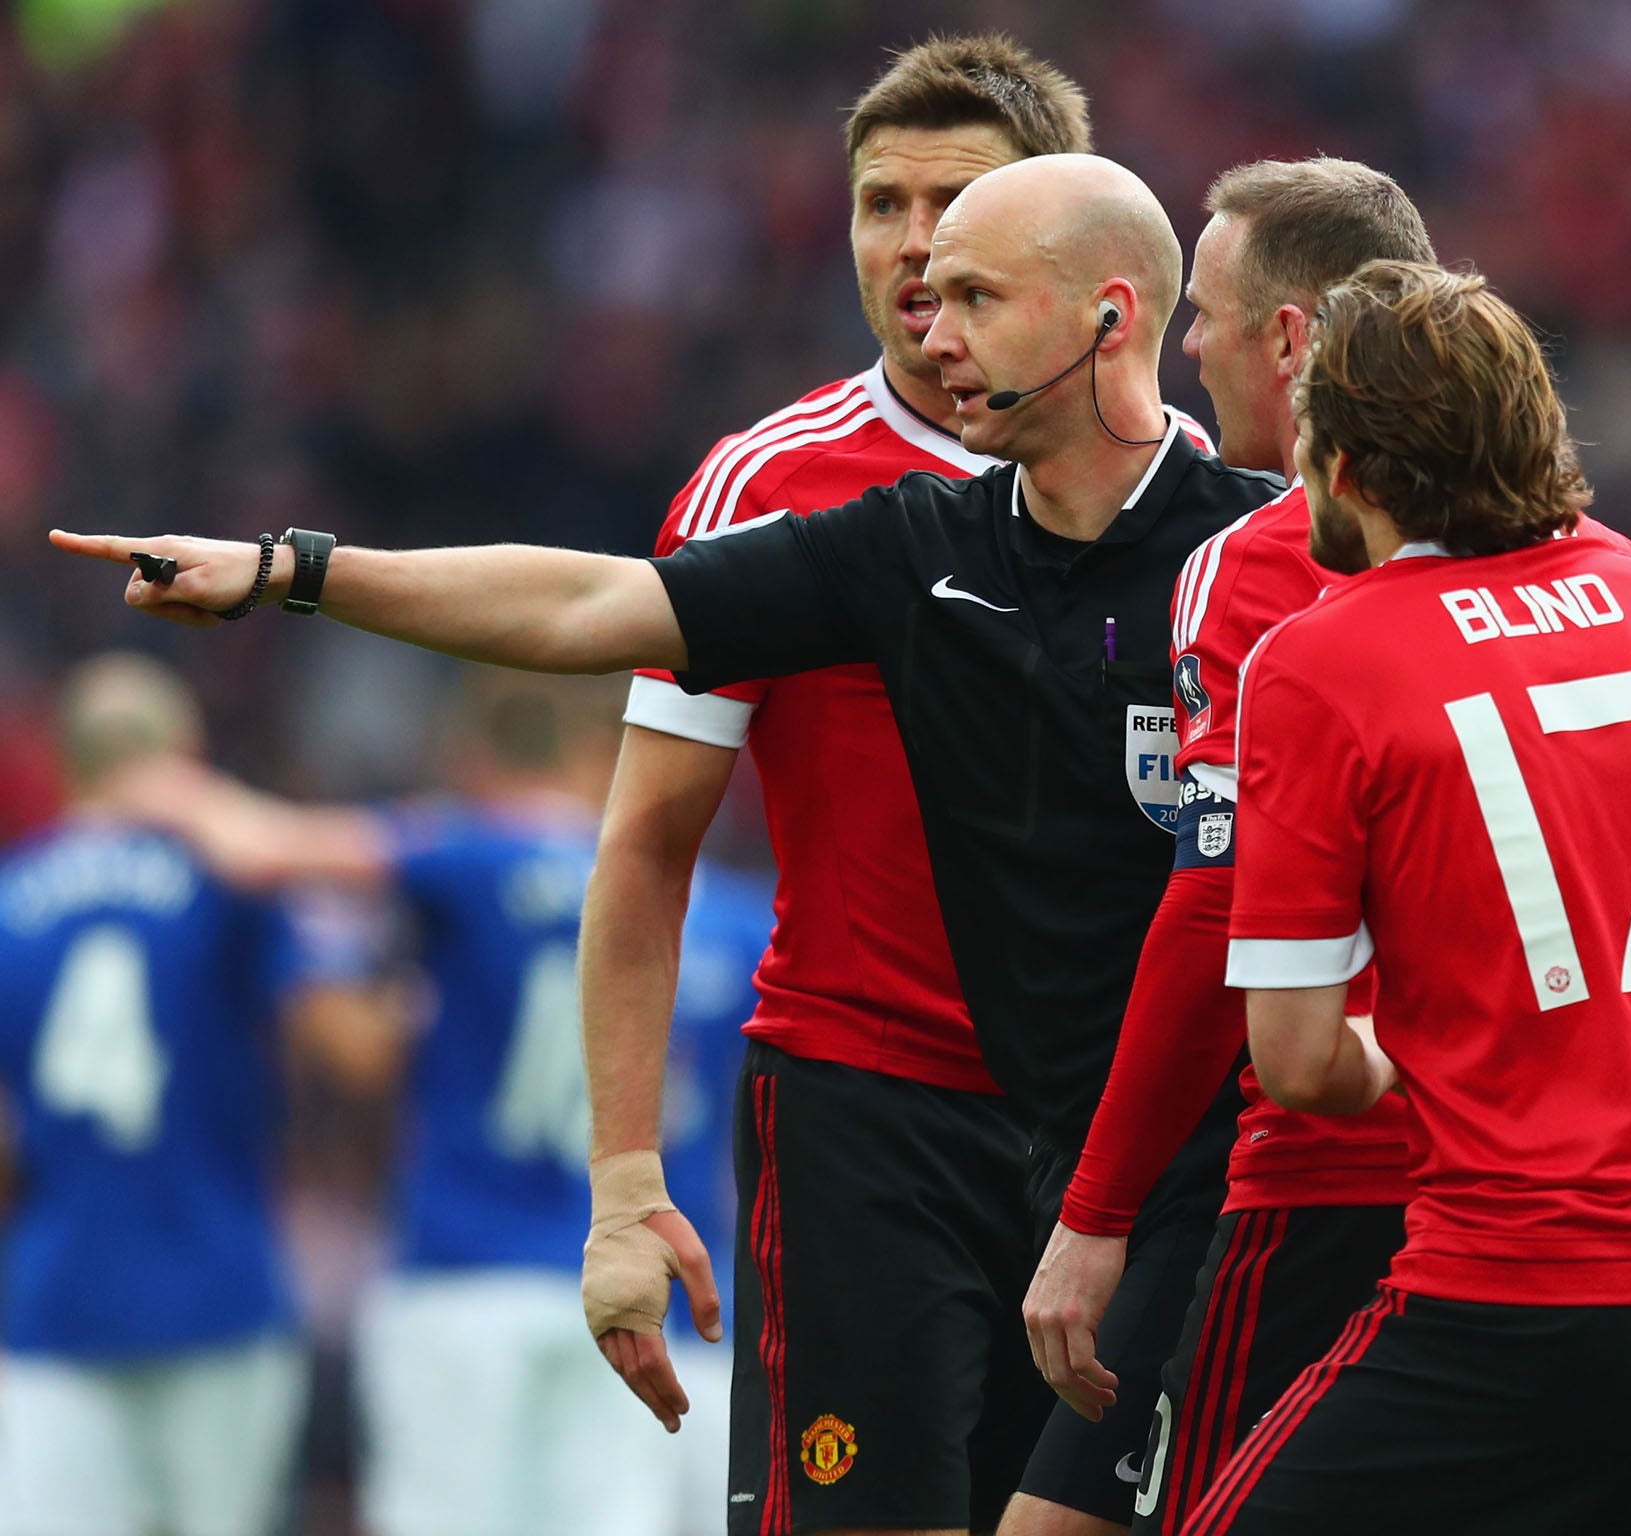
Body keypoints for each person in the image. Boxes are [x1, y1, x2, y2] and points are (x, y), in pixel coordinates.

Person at [52, 151, 1279, 1536]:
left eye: (976, 300)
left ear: (1108, 319)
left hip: (1213, 1173)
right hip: (984, 1150)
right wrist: (295, 572)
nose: (931, 335)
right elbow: (591, 607)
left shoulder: (1266, 552)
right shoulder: (911, 546)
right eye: (927, 295)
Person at [1178, 260, 1631, 1534]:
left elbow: (1297, 1058)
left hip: (1501, 1309)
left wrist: (1422, 1078)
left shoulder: (1315, 661)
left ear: (1344, 465)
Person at [1023, 157, 1631, 1534]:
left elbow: (1211, 913)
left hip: (1327, 1189)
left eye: (1210, 315)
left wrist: (1098, 1207)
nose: (1189, 349)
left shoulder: (1254, 572)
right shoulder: (1606, 579)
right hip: (1560, 1198)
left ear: (1292, 342)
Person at [583, 35, 1098, 1536]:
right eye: (882, 202)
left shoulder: (1179, 490)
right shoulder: (770, 480)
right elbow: (644, 850)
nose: (916, 243)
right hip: (868, 1120)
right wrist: (624, 1177)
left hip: (1112, 1134)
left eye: (958, 200)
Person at [123, 672, 770, 1536]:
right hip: (650, 1302)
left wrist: (160, 786)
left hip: (463, 1277)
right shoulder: (727, 915)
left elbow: (262, 851)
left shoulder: (469, 853)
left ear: (472, 763)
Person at [0, 653, 370, 1536]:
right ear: (185, 757)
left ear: (62, 762)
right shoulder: (235, 884)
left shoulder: (10, 898)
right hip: (222, 1284)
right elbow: (347, 1047)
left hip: (57, 1293)